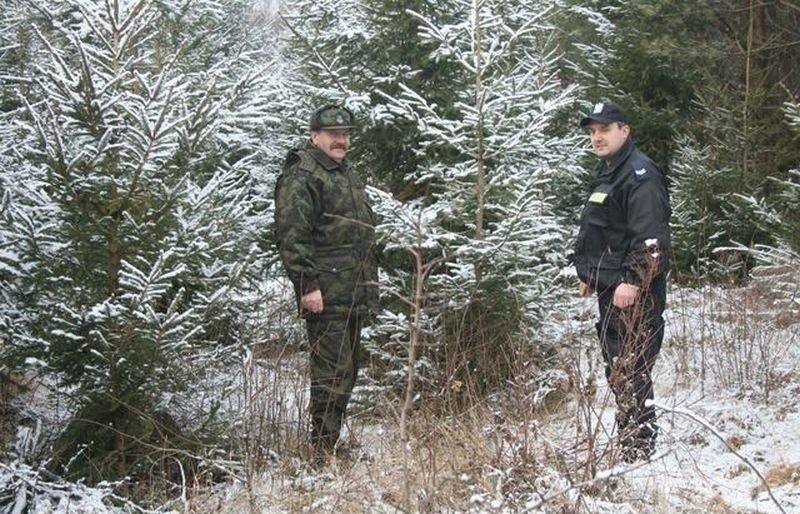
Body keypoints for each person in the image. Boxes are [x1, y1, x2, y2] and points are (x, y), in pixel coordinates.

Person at [274, 104, 378, 461]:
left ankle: (329, 444)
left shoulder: (344, 172)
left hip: (352, 290)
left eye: (345, 133)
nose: (341, 139)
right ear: (313, 136)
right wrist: (307, 286)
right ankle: (321, 453)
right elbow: (292, 236)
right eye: (333, 134)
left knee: (347, 371)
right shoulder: (302, 176)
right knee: (330, 375)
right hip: (326, 293)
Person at [572, 101, 671, 463]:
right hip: (611, 288)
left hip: (634, 293)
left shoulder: (640, 174)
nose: (597, 137)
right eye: (593, 131)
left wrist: (632, 280)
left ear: (624, 130)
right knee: (619, 369)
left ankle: (639, 452)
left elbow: (650, 240)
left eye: (605, 129)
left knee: (632, 369)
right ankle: (633, 445)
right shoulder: (609, 171)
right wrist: (591, 274)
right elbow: (605, 229)